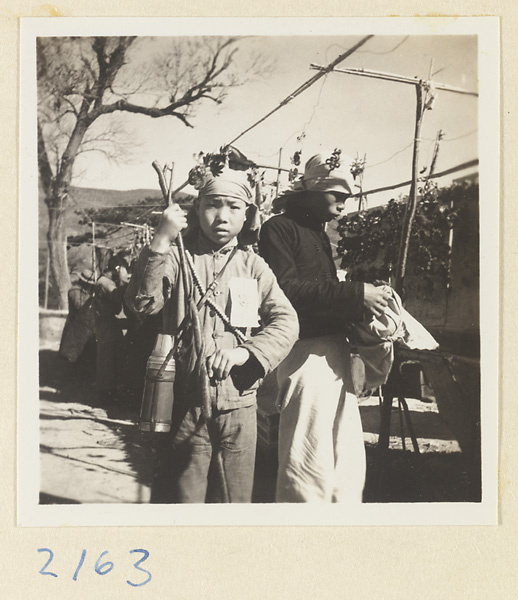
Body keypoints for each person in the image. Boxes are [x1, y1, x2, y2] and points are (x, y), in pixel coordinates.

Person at [125, 166, 299, 503]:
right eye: (212, 204)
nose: (222, 216)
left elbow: (286, 322)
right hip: (185, 405)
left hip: (241, 406)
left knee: (234, 504)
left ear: (247, 214)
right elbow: (141, 305)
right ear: (195, 209)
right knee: (182, 502)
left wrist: (245, 352)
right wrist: (160, 240)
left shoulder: (254, 266)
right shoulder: (177, 257)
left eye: (233, 206)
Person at [258, 149, 391, 503]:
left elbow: (326, 294)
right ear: (313, 191)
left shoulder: (319, 235)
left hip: (332, 352)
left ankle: (341, 521)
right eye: (338, 195)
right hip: (303, 353)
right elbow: (286, 291)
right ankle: (301, 527)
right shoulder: (279, 229)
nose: (344, 203)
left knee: (344, 450)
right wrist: (355, 294)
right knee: (307, 451)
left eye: (348, 196)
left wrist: (366, 311)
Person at [93, 253, 131, 403]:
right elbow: (117, 300)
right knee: (107, 358)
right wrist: (123, 281)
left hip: (107, 322)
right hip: (106, 323)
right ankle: (105, 393)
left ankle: (109, 390)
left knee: (110, 357)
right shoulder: (106, 283)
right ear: (118, 268)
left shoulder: (104, 281)